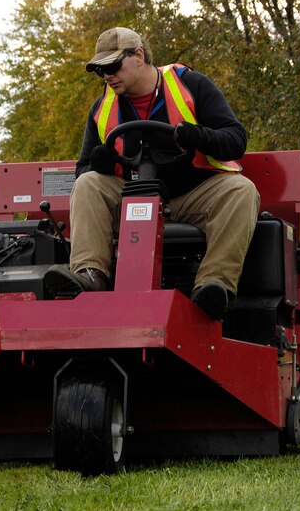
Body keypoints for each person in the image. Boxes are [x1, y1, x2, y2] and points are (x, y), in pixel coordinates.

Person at [44, 27, 260, 319]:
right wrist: (101, 163)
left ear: (138, 56)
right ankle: (90, 275)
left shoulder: (191, 85)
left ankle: (213, 285)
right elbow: (84, 169)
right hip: (133, 200)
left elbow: (236, 141)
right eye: (100, 70)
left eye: (113, 66)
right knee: (87, 183)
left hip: (193, 196)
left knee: (242, 190)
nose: (107, 75)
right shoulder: (101, 108)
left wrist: (196, 136)